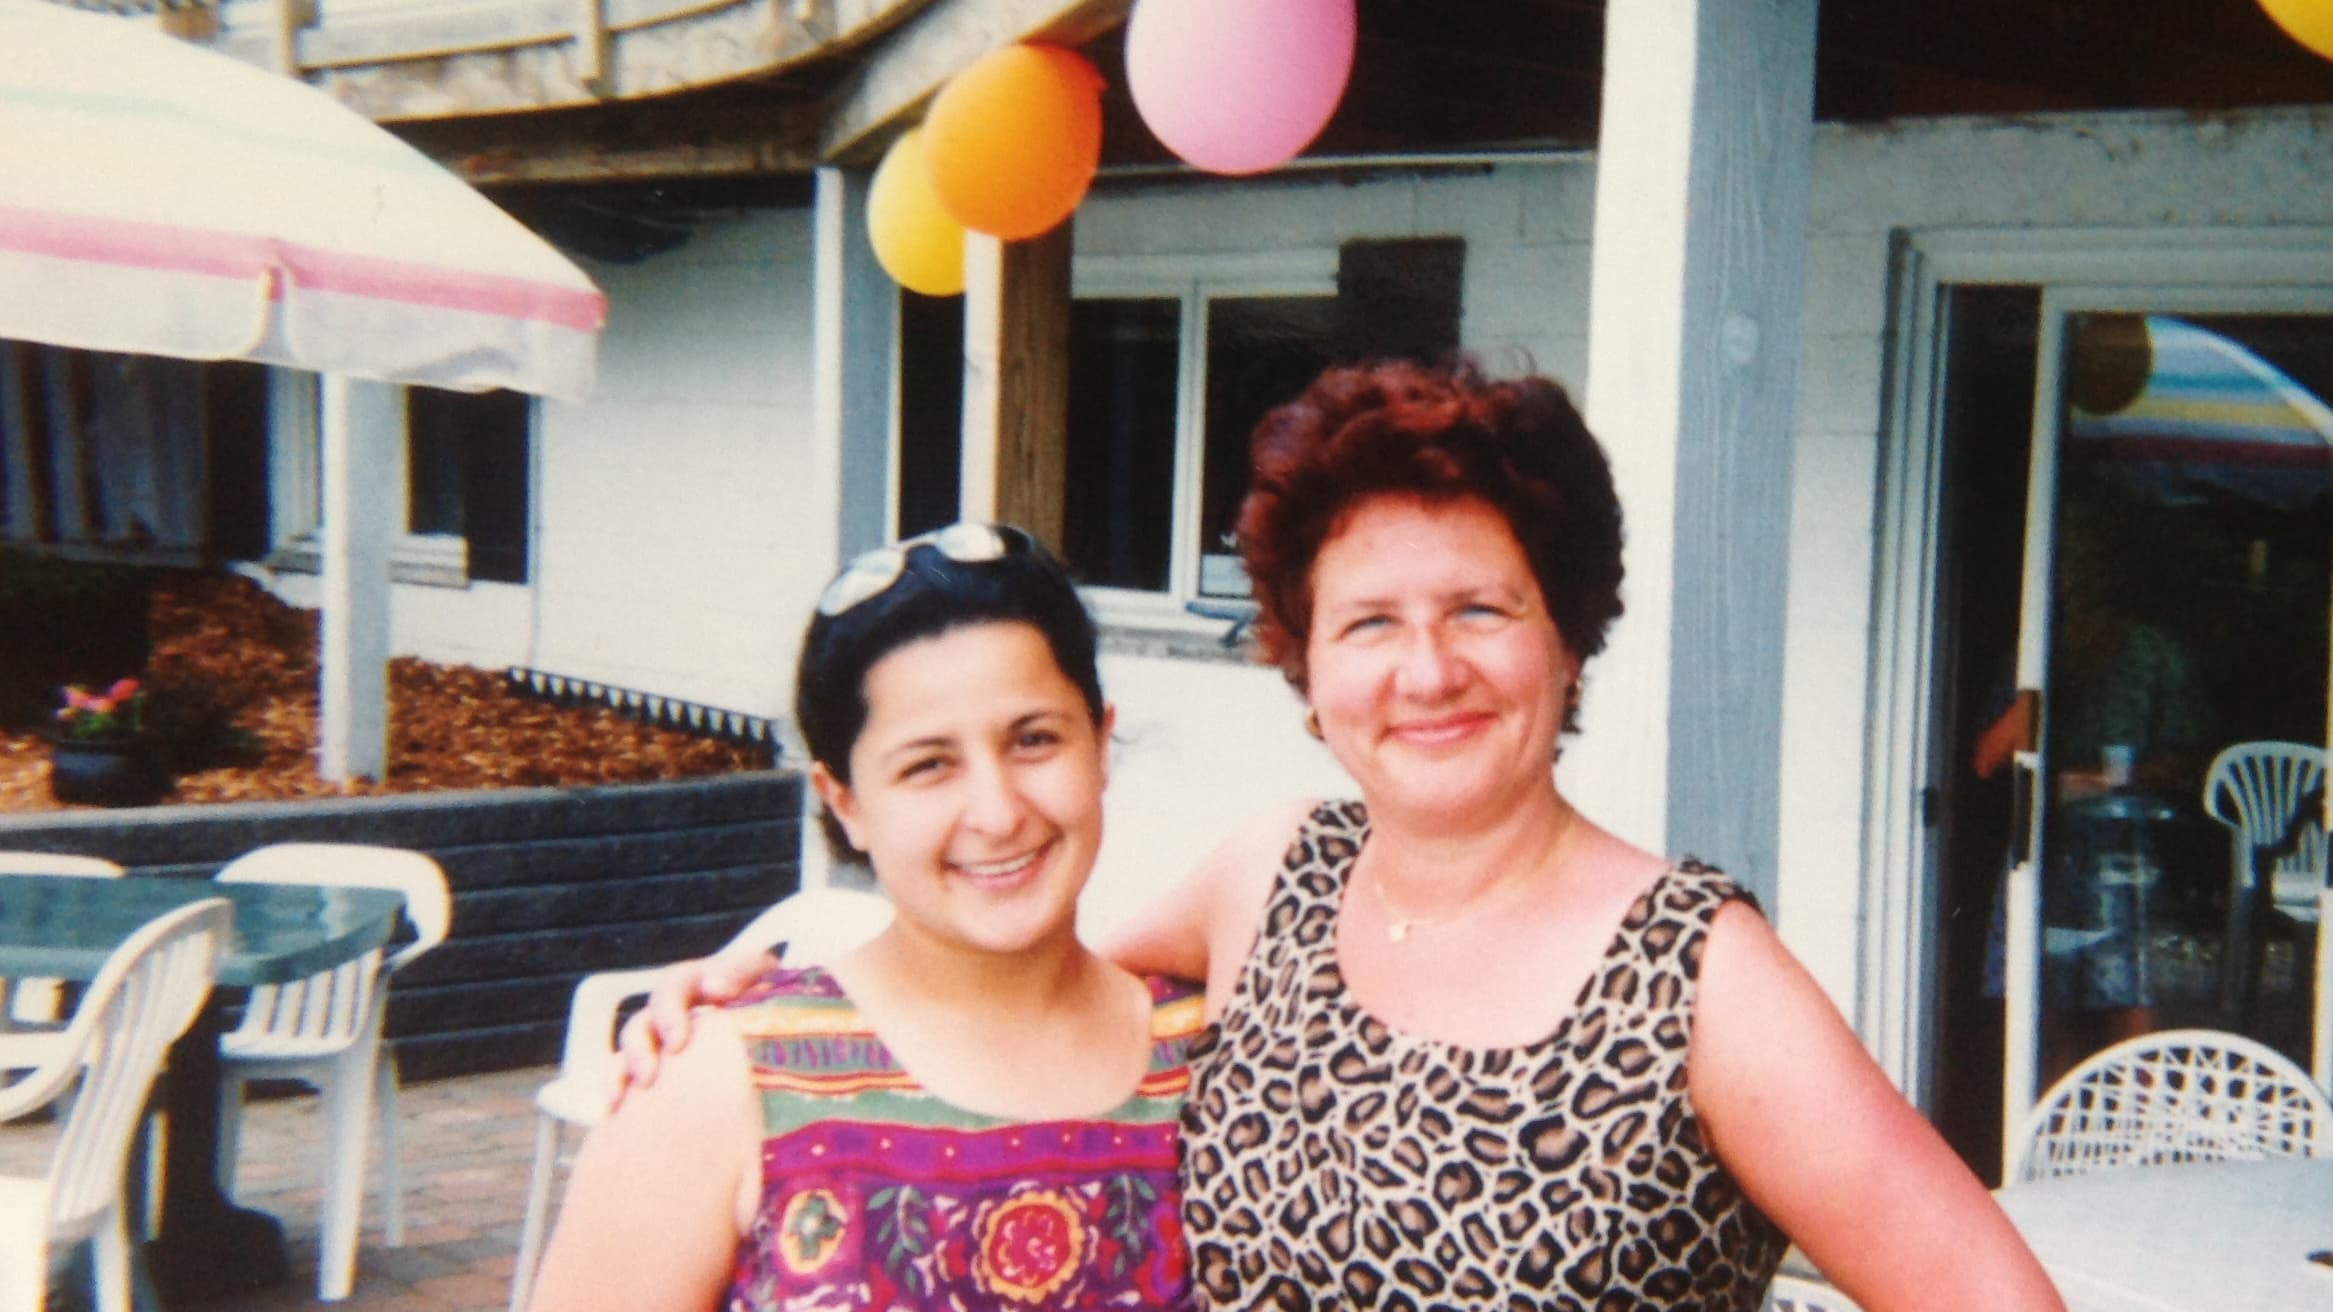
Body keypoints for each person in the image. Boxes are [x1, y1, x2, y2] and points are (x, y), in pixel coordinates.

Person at [625, 362, 2062, 1310]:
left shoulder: (1697, 974)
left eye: (1480, 611)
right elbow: (1004, 987)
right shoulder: (1274, 878)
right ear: (1305, 665)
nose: (1425, 672)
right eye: (1369, 624)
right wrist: (750, 993)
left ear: (1566, 641)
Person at [528, 522, 1202, 1312]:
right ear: (844, 802)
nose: (995, 811)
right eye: (928, 765)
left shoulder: (1218, 1055)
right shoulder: (719, 1085)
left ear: (1099, 743)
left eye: (1033, 740)